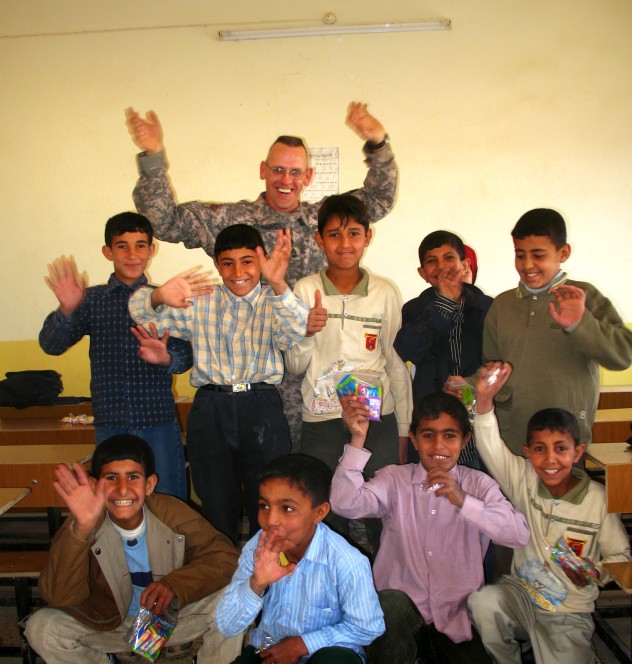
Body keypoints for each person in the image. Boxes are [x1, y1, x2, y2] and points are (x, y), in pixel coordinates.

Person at [125, 102, 398, 449]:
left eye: (296, 172)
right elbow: (163, 221)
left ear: (308, 177)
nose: (287, 180)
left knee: (318, 474)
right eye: (278, 170)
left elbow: (378, 200)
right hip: (253, 381)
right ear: (263, 170)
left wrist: (377, 143)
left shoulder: (324, 220)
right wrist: (152, 157)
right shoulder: (231, 220)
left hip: (317, 371)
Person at [331, 391, 530, 664]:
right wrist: (356, 440)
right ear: (414, 437)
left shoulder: (479, 486)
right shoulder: (395, 479)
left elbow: (517, 534)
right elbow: (345, 503)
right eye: (428, 435)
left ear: (465, 440)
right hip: (401, 613)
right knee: (388, 604)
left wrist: (463, 501)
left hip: (453, 617)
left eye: (450, 436)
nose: (439, 446)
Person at [188, 454, 385, 664]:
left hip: (322, 662)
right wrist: (257, 583)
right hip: (270, 656)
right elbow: (227, 624)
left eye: (287, 508)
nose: (271, 521)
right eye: (264, 506)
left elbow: (369, 626)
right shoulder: (258, 548)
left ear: (320, 512)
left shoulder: (347, 561)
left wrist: (301, 644)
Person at [24, 435, 240, 664]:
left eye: (133, 477)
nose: (122, 489)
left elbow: (224, 558)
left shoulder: (171, 511)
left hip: (168, 620)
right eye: (111, 478)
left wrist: (175, 584)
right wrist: (81, 530)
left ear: (149, 484)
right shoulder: (85, 520)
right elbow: (60, 597)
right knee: (41, 627)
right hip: (112, 625)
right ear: (94, 484)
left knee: (239, 596)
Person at [468, 362, 631, 664]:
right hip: (522, 596)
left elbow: (621, 557)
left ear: (578, 451)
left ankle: (580, 660)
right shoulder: (523, 477)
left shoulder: (599, 500)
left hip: (568, 613)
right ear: (528, 451)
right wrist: (484, 401)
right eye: (539, 449)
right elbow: (489, 444)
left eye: (561, 449)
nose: (550, 460)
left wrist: (596, 573)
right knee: (483, 601)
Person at [129, 224, 308, 546]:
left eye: (247, 261)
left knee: (268, 501)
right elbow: (143, 316)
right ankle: (221, 578)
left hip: (261, 407)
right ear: (217, 265)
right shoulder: (202, 300)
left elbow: (297, 331)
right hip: (210, 408)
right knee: (215, 502)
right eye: (228, 263)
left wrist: (279, 282)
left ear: (262, 260)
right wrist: (157, 295)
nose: (238, 272)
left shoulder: (275, 300)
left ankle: (263, 580)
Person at [284, 194, 411, 549]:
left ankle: (387, 589)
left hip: (376, 418)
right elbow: (294, 365)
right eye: (335, 235)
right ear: (319, 239)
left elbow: (396, 362)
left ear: (367, 238)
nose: (345, 244)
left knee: (382, 506)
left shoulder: (385, 293)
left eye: (354, 234)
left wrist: (403, 427)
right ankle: (327, 582)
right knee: (323, 506)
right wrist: (306, 332)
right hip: (321, 417)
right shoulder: (306, 289)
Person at [38, 212, 195, 499]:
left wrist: (166, 359)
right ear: (107, 252)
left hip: (158, 421)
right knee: (117, 503)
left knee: (169, 502)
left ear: (151, 250)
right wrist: (68, 309)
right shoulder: (93, 299)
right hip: (110, 422)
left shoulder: (164, 298)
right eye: (122, 246)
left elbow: (186, 357)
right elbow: (51, 345)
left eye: (140, 245)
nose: (132, 254)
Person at [480, 208, 632, 454]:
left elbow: (623, 355)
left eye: (538, 255)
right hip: (513, 441)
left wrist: (579, 323)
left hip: (566, 443)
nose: (527, 265)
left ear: (563, 253)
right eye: (520, 255)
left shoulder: (583, 297)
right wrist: (467, 385)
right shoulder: (502, 305)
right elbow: (491, 369)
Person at [394, 230, 492, 466]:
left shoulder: (489, 308)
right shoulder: (414, 310)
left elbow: (499, 359)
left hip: (480, 416)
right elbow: (407, 349)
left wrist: (472, 382)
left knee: (481, 483)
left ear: (465, 264)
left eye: (449, 258)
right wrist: (445, 304)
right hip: (433, 417)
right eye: (431, 261)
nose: (442, 266)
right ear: (423, 274)